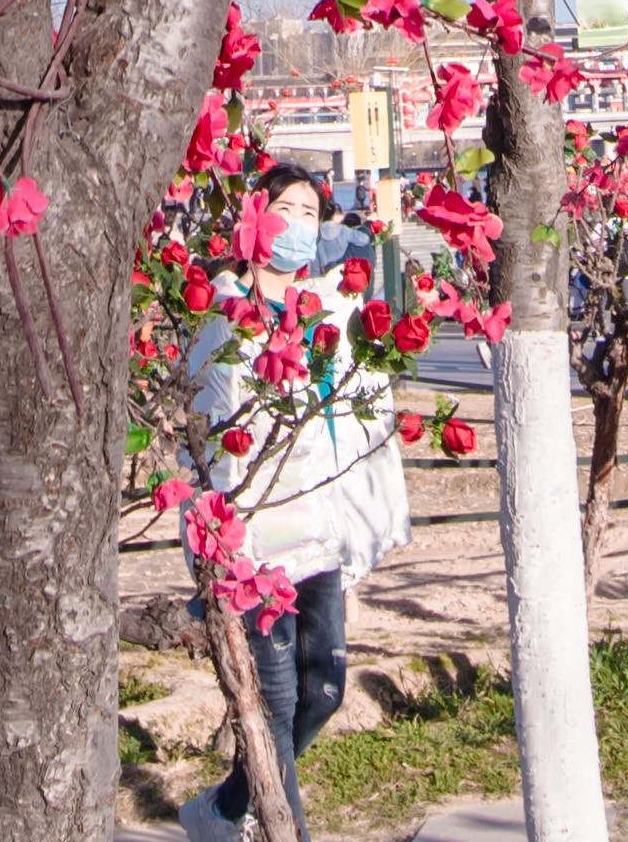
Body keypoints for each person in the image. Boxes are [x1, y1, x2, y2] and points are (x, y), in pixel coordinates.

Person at [187, 161, 411, 842]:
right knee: (277, 701)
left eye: (312, 214)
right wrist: (229, 548)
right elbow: (214, 439)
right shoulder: (226, 321)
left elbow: (365, 416)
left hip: (319, 533)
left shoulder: (326, 313)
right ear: (254, 216)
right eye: (285, 208)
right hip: (256, 544)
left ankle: (225, 809)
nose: (298, 226)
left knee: (325, 691)